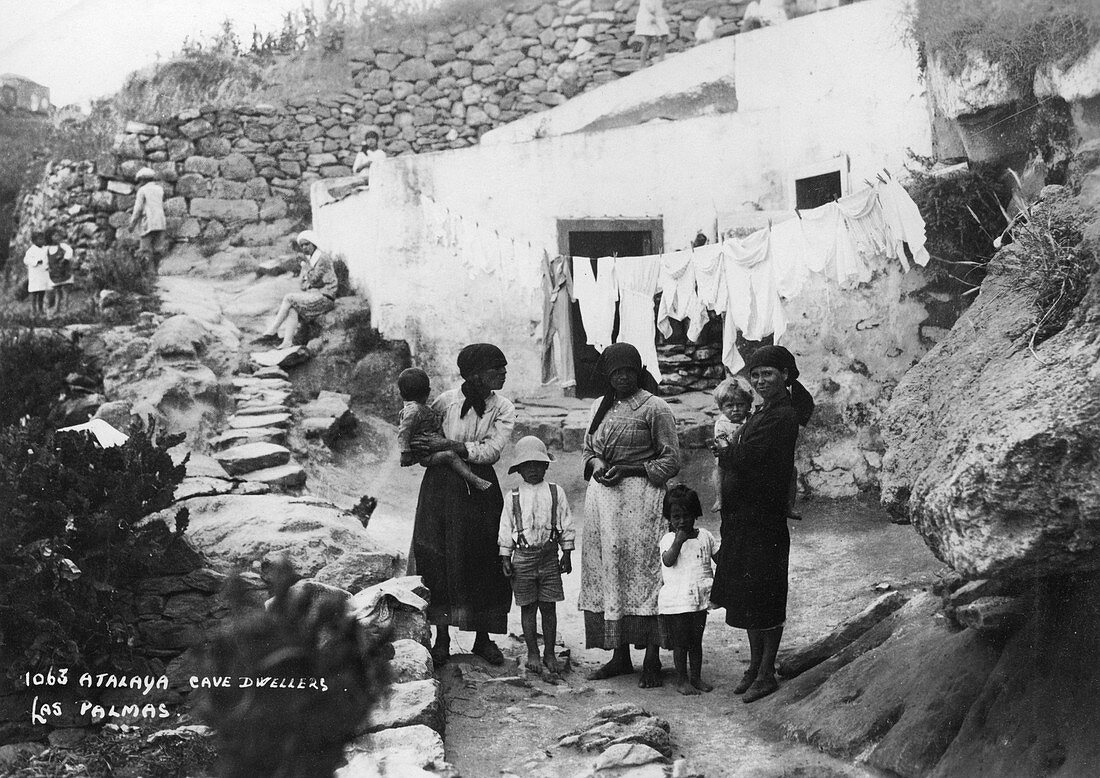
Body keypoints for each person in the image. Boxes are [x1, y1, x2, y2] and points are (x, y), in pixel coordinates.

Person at [579, 342, 681, 688]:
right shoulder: (599, 406)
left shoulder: (656, 408)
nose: (622, 377)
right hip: (604, 502)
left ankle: (652, 658)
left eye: (628, 371)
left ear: (638, 371)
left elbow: (670, 461)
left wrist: (629, 469)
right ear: (607, 375)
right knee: (611, 572)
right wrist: (599, 465)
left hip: (643, 502)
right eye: (615, 372)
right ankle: (619, 655)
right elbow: (589, 449)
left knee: (645, 574)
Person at [408, 343, 515, 668]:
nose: (503, 374)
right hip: (441, 489)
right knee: (440, 557)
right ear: (475, 374)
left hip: (481, 491)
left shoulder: (504, 408)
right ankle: (441, 638)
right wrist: (448, 451)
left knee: (483, 558)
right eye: (496, 369)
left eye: (503, 368)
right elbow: (423, 439)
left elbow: (492, 450)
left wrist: (455, 447)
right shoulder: (445, 402)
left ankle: (483, 638)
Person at [711, 345, 801, 703]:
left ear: (785, 376)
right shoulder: (762, 412)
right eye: (756, 375)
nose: (761, 380)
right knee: (749, 592)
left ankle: (766, 672)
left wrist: (726, 452)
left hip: (764, 517)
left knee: (766, 593)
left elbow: (745, 456)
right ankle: (753, 665)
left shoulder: (783, 415)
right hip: (744, 517)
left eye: (768, 373)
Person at [498, 435, 575, 676]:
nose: (532, 470)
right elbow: (505, 528)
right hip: (523, 558)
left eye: (537, 464)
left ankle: (550, 651)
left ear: (546, 466)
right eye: (527, 466)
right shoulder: (513, 497)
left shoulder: (556, 492)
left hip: (549, 556)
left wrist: (567, 552)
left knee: (549, 607)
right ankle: (533, 651)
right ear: (519, 470)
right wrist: (505, 557)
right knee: (528, 607)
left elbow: (566, 522)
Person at [658, 484, 717, 695]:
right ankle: (682, 680)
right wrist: (677, 542)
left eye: (686, 515)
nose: (682, 521)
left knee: (696, 642)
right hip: (677, 602)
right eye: (676, 517)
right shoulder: (668, 539)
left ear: (696, 514)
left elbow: (719, 557)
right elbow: (668, 560)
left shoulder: (705, 537)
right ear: (669, 518)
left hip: (699, 600)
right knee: (681, 643)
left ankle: (696, 678)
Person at [396, 366, 492, 492]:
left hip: (432, 448)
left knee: (451, 453)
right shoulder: (413, 410)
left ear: (401, 394)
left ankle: (473, 479)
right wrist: (405, 453)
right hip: (426, 455)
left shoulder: (422, 409)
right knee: (450, 455)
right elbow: (404, 432)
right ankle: (474, 480)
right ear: (428, 391)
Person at [254, 231, 338, 349]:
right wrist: (306, 273)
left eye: (307, 244)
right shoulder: (311, 260)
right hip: (315, 294)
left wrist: (306, 267)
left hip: (326, 297)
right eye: (302, 245)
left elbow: (313, 280)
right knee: (293, 308)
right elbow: (303, 285)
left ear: (313, 243)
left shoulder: (322, 258)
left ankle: (271, 331)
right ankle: (287, 341)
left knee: (289, 297)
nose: (304, 247)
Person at [709, 379, 753, 514]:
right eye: (730, 406)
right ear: (721, 408)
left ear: (748, 405)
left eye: (740, 405)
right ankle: (719, 499)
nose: (735, 409)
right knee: (718, 471)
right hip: (728, 459)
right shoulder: (722, 423)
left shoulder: (751, 418)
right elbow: (723, 443)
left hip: (747, 457)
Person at [129, 167, 168, 268]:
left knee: (145, 250)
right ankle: (156, 271)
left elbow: (138, 209)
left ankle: (149, 274)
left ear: (144, 180)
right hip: (160, 222)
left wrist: (132, 224)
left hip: (148, 222)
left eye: (141, 180)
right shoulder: (160, 189)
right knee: (157, 249)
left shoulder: (142, 190)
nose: (140, 183)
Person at [45, 227, 74, 317]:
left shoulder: (62, 246)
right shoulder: (47, 249)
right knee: (57, 291)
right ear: (50, 237)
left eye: (58, 235)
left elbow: (69, 251)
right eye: (55, 236)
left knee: (66, 291)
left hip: (64, 272)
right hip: (55, 274)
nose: (57, 237)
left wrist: (65, 259)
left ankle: (66, 308)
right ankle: (57, 308)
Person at [635, 0, 670, 67]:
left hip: (656, 15)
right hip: (648, 16)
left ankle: (661, 58)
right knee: (648, 40)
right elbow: (650, 6)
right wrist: (652, 16)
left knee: (664, 36)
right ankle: (642, 65)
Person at [22, 231, 49, 317]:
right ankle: (33, 311)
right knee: (34, 293)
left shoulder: (45, 249)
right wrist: (36, 262)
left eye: (43, 239)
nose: (42, 241)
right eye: (40, 239)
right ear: (34, 241)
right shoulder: (31, 250)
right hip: (35, 275)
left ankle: (40, 310)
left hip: (43, 274)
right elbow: (26, 260)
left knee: (42, 293)